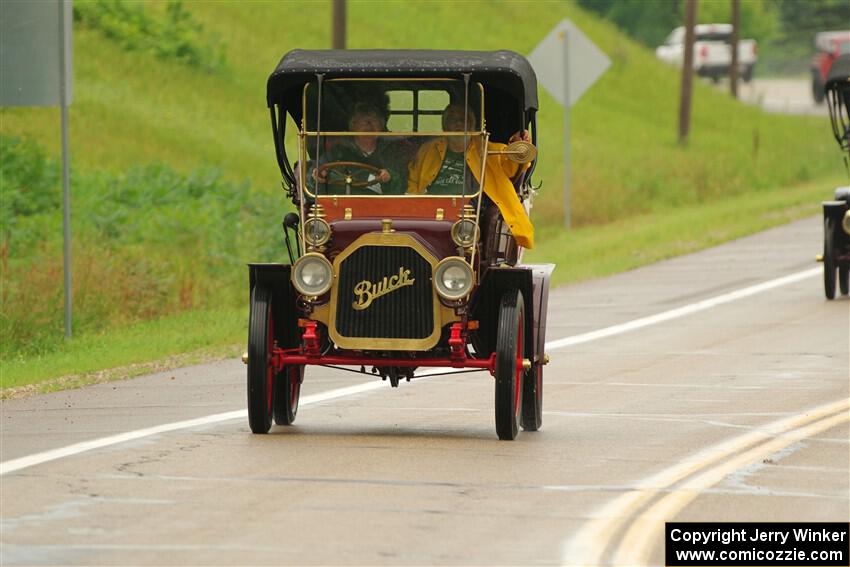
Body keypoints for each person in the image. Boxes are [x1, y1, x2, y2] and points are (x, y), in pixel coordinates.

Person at [406, 103, 535, 248]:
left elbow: (513, 168)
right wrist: (412, 205)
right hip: (430, 208)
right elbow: (413, 182)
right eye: (453, 120)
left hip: (469, 212)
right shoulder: (428, 149)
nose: (458, 124)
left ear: (472, 126)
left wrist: (518, 144)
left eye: (463, 120)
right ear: (445, 126)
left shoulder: (490, 149)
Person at [313, 103, 403, 195]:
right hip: (339, 201)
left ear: (381, 126)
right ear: (352, 126)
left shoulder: (391, 152)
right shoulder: (338, 151)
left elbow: (401, 189)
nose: (369, 126)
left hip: (379, 203)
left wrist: (389, 179)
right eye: (363, 121)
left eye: (374, 121)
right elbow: (313, 185)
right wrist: (318, 176)